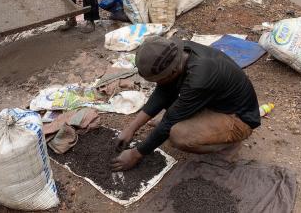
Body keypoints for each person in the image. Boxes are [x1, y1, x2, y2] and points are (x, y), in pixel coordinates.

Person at [111, 37, 261, 171]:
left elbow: (169, 121)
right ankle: (204, 125)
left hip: (239, 118)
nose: (158, 83)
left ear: (173, 71)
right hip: (214, 103)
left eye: (159, 79)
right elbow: (163, 91)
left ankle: (229, 144)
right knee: (169, 110)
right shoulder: (178, 52)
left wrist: (136, 154)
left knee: (178, 135)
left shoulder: (200, 78)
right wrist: (131, 128)